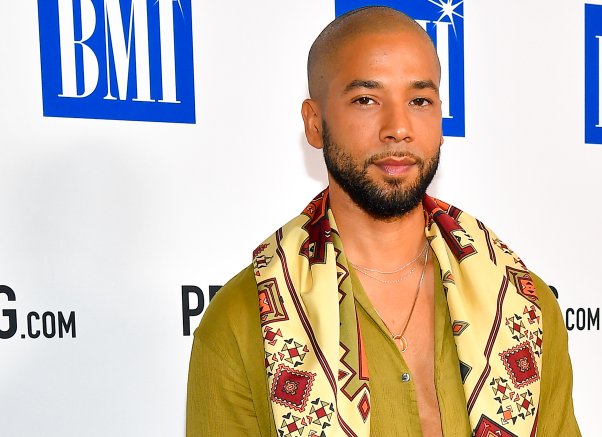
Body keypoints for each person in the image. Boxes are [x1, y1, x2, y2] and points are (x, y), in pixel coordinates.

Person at [186, 6, 580, 437]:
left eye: (419, 101)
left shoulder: (521, 305)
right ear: (315, 124)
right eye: (366, 100)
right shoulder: (246, 321)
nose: (398, 128)